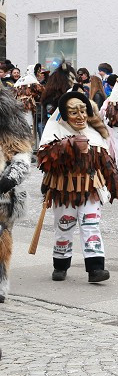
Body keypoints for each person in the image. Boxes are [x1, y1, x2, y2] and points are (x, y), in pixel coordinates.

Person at [37, 91, 118, 283]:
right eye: (73, 112)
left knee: (91, 226)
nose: (80, 116)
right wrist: (68, 146)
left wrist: (115, 184)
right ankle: (60, 266)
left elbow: (106, 163)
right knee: (64, 226)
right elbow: (44, 161)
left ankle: (96, 269)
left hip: (90, 189)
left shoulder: (94, 133)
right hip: (64, 189)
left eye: (83, 111)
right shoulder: (55, 129)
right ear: (64, 114)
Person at [0, 88, 34, 302]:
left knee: (1, 239)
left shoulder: (10, 127)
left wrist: (9, 179)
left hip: (3, 197)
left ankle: (1, 284)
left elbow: (21, 156)